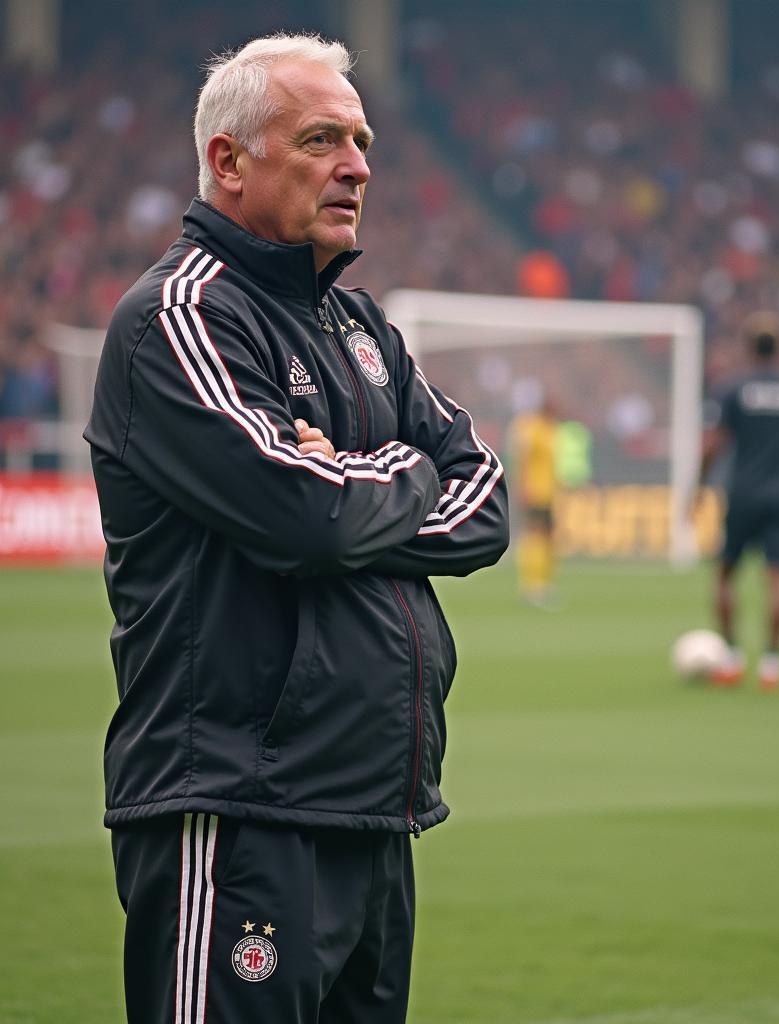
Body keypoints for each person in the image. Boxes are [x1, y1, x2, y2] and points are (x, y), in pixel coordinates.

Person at [85, 34, 509, 1024]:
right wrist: (398, 471)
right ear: (229, 160)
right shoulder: (177, 320)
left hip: (372, 809)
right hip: (238, 812)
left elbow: (484, 498)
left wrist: (356, 476)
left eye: (360, 141)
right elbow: (307, 513)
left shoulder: (363, 332)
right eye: (320, 139)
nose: (356, 165)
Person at [699, 313, 779, 691]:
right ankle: (772, 665)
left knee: (725, 575)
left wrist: (699, 485)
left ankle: (732, 659)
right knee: (778, 580)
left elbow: (715, 443)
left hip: (742, 493)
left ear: (749, 347)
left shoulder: (733, 388)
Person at [509, 395, 560, 605]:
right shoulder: (533, 429)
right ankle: (532, 583)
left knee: (547, 537)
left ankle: (543, 581)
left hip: (548, 492)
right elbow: (523, 458)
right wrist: (524, 485)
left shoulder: (550, 429)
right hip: (535, 491)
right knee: (534, 535)